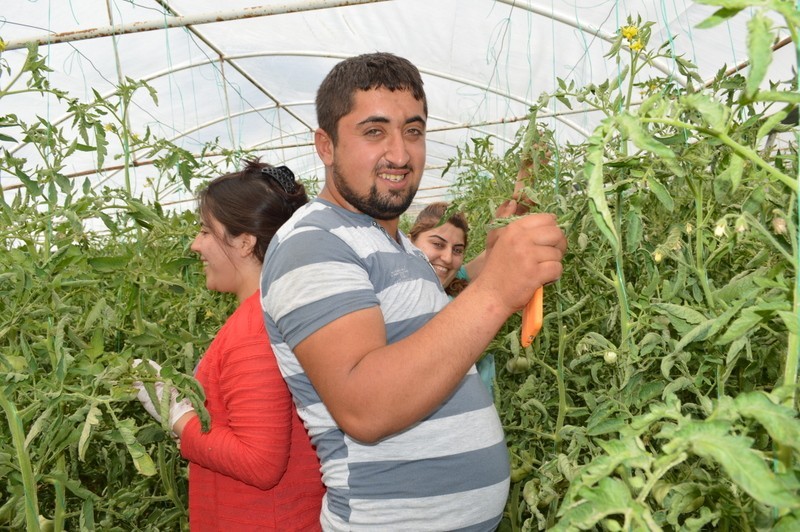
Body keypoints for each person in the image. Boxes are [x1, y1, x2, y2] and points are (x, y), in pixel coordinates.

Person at [260, 52, 566, 530]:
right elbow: (365, 406)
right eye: (374, 131)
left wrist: (500, 257)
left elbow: (435, 334)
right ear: (325, 145)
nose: (400, 155)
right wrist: (497, 292)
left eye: (414, 131)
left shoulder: (397, 244)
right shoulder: (313, 245)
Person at [134, 159, 325, 531]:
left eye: (206, 231)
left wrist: (179, 417)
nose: (196, 244)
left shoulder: (255, 327)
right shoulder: (268, 311)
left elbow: (260, 462)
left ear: (244, 240)